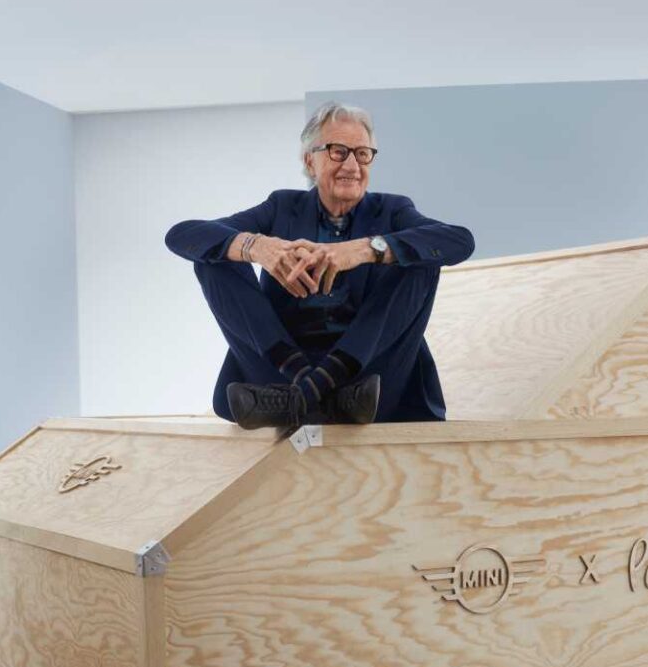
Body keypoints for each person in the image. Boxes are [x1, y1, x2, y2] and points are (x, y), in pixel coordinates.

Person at [165, 102, 475, 428]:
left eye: (363, 154)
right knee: (214, 257)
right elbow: (182, 235)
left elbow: (459, 241)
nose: (352, 165)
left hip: (369, 386)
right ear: (309, 161)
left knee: (421, 256)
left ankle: (306, 395)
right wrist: (255, 246)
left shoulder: (392, 210)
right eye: (338, 151)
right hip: (279, 378)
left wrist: (365, 249)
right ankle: (313, 389)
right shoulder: (282, 207)